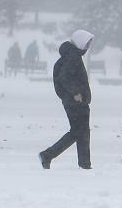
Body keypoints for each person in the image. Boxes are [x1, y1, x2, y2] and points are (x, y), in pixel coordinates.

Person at [40, 29, 94, 170]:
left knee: (81, 133)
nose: (88, 46)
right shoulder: (73, 56)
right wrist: (76, 92)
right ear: (80, 42)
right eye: (87, 43)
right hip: (75, 102)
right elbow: (64, 77)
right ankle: (48, 155)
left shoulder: (72, 55)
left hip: (74, 102)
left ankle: (84, 164)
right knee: (79, 132)